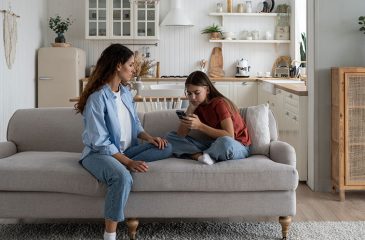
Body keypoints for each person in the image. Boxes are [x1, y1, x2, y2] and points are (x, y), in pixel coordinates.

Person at [74, 43, 172, 240]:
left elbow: (135, 124)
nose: (134, 69)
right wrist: (127, 163)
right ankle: (110, 235)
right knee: (122, 177)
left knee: (166, 147)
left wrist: (149, 138)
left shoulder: (126, 92)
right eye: (131, 64)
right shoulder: (97, 98)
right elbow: (100, 141)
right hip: (99, 154)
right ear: (118, 66)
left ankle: (124, 160)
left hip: (126, 150)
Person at [166, 71, 250, 165]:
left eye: (197, 93)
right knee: (170, 137)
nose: (192, 97)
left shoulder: (219, 103)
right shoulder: (196, 105)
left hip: (237, 146)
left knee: (225, 142)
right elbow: (180, 135)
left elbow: (230, 136)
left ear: (207, 90)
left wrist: (200, 126)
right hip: (213, 145)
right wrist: (190, 108)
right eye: (189, 93)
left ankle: (198, 154)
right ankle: (201, 156)